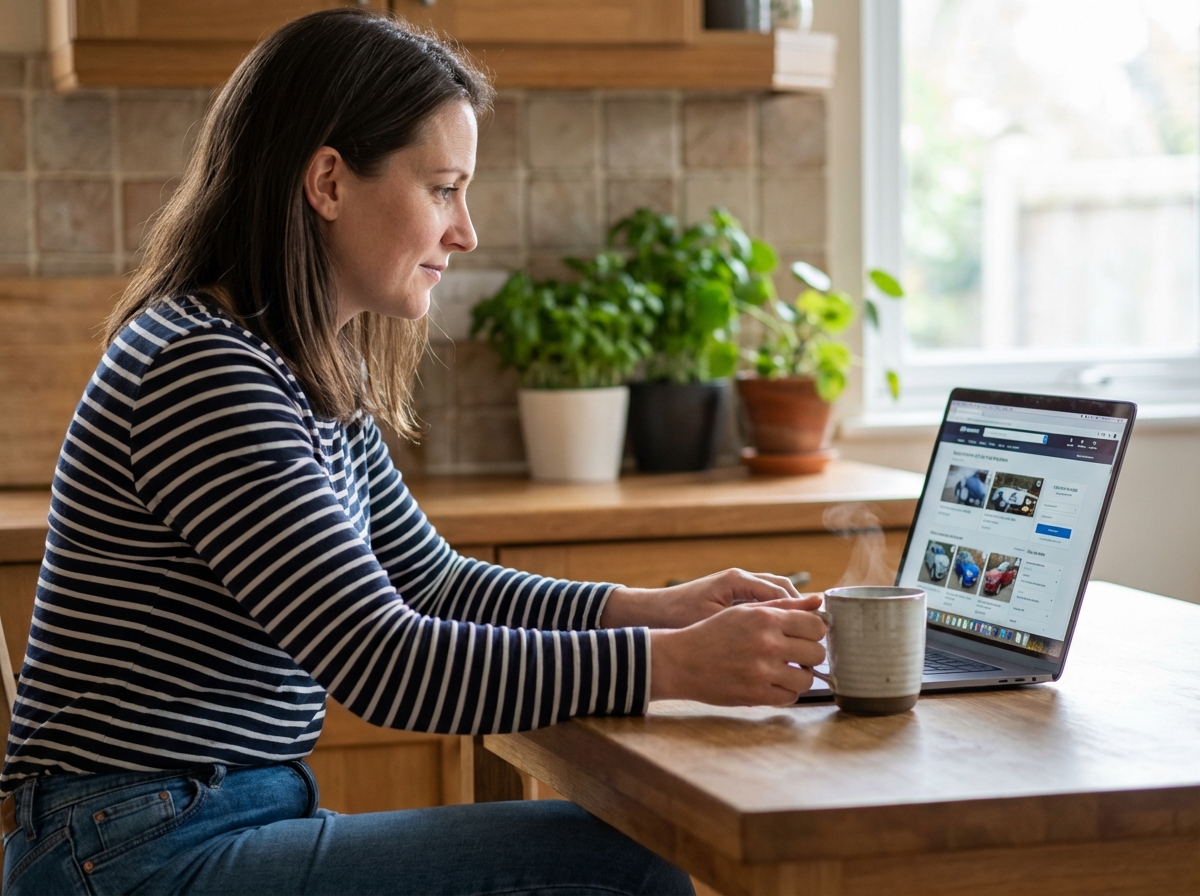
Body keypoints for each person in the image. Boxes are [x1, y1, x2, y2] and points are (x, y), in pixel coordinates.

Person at [0, 10, 826, 895]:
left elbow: (430, 583)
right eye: (442, 188)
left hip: (188, 822)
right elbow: (386, 662)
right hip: (132, 854)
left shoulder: (294, 360)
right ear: (328, 181)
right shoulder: (204, 370)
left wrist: (652, 611)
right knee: (626, 870)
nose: (465, 231)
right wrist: (677, 665)